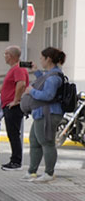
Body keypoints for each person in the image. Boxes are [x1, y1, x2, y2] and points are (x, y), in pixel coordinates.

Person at [23, 47, 67, 182]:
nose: (40, 61)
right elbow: (44, 82)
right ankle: (32, 171)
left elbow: (48, 95)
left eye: (42, 58)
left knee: (47, 143)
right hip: (41, 113)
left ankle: (48, 173)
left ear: (48, 59)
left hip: (48, 113)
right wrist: (36, 72)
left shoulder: (54, 77)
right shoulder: (51, 74)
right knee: (35, 142)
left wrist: (31, 92)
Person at [0, 45, 29, 170]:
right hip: (8, 105)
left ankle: (16, 161)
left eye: (6, 54)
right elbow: (9, 86)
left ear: (11, 56)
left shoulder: (18, 68)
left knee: (14, 134)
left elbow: (21, 84)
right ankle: (14, 160)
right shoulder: (14, 69)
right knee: (12, 134)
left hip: (13, 106)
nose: (4, 56)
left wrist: (15, 100)